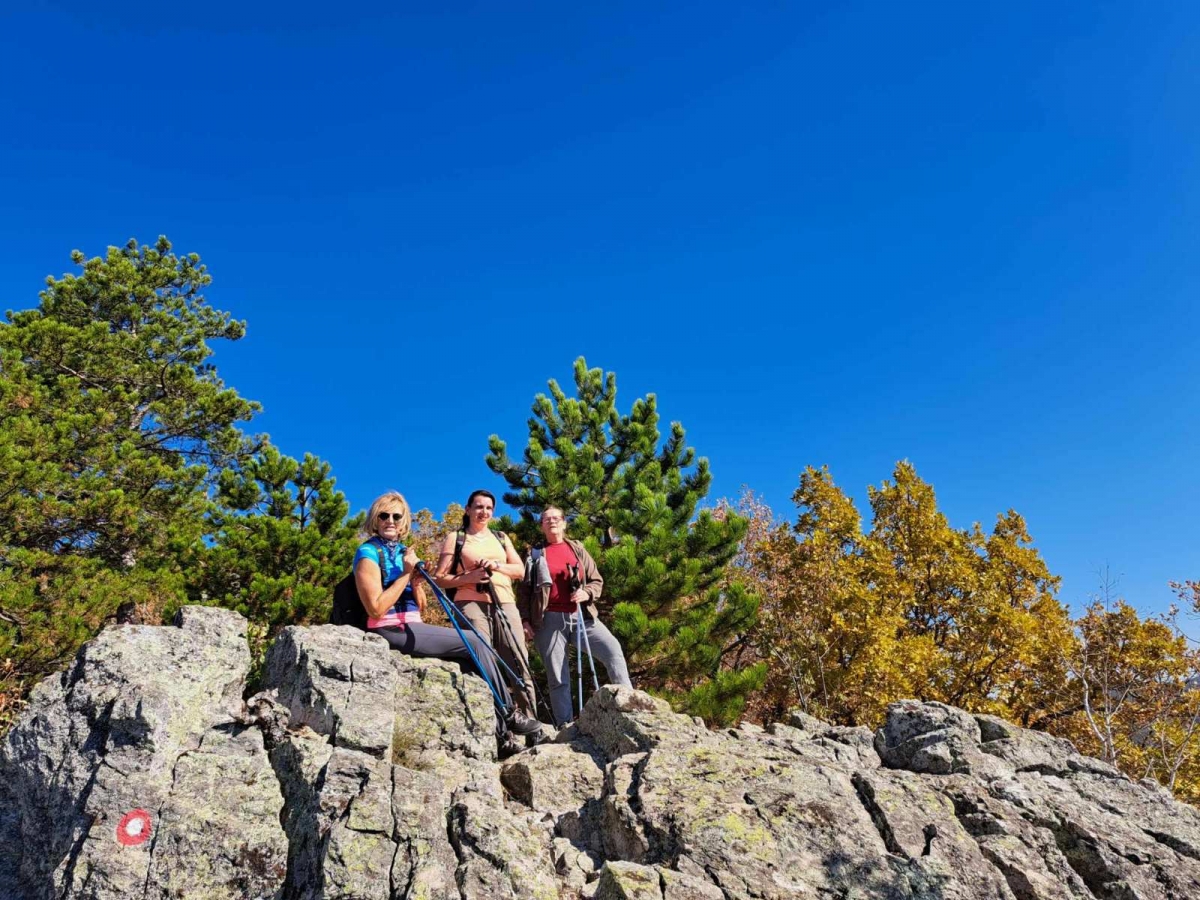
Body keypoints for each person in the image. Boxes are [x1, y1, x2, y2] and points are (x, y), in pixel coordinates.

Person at [354, 491, 541, 743]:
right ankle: (509, 713)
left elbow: (418, 607)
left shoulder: (402, 551)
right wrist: (406, 576)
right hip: (389, 629)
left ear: (403, 522)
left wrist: (417, 583)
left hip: (411, 625)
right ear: (375, 520)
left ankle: (501, 737)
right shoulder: (367, 553)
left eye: (396, 516)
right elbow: (375, 608)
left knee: (471, 665)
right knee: (476, 642)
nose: (390, 521)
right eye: (384, 515)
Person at [519, 506, 632, 726]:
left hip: (582, 616)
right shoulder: (534, 554)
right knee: (558, 679)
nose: (551, 522)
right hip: (548, 620)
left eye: (556, 518)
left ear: (563, 523)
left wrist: (586, 592)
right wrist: (525, 620)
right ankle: (566, 727)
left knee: (613, 651)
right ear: (542, 525)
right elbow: (523, 591)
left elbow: (596, 579)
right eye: (546, 519)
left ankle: (630, 706)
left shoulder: (576, 548)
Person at [434, 490, 537, 718]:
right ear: (468, 510)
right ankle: (494, 724)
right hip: (469, 601)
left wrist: (496, 566)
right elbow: (439, 578)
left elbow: (520, 571)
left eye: (489, 508)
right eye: (479, 507)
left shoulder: (501, 537)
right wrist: (467, 578)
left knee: (519, 661)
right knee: (482, 660)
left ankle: (531, 724)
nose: (484, 512)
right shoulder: (457, 538)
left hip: (505, 602)